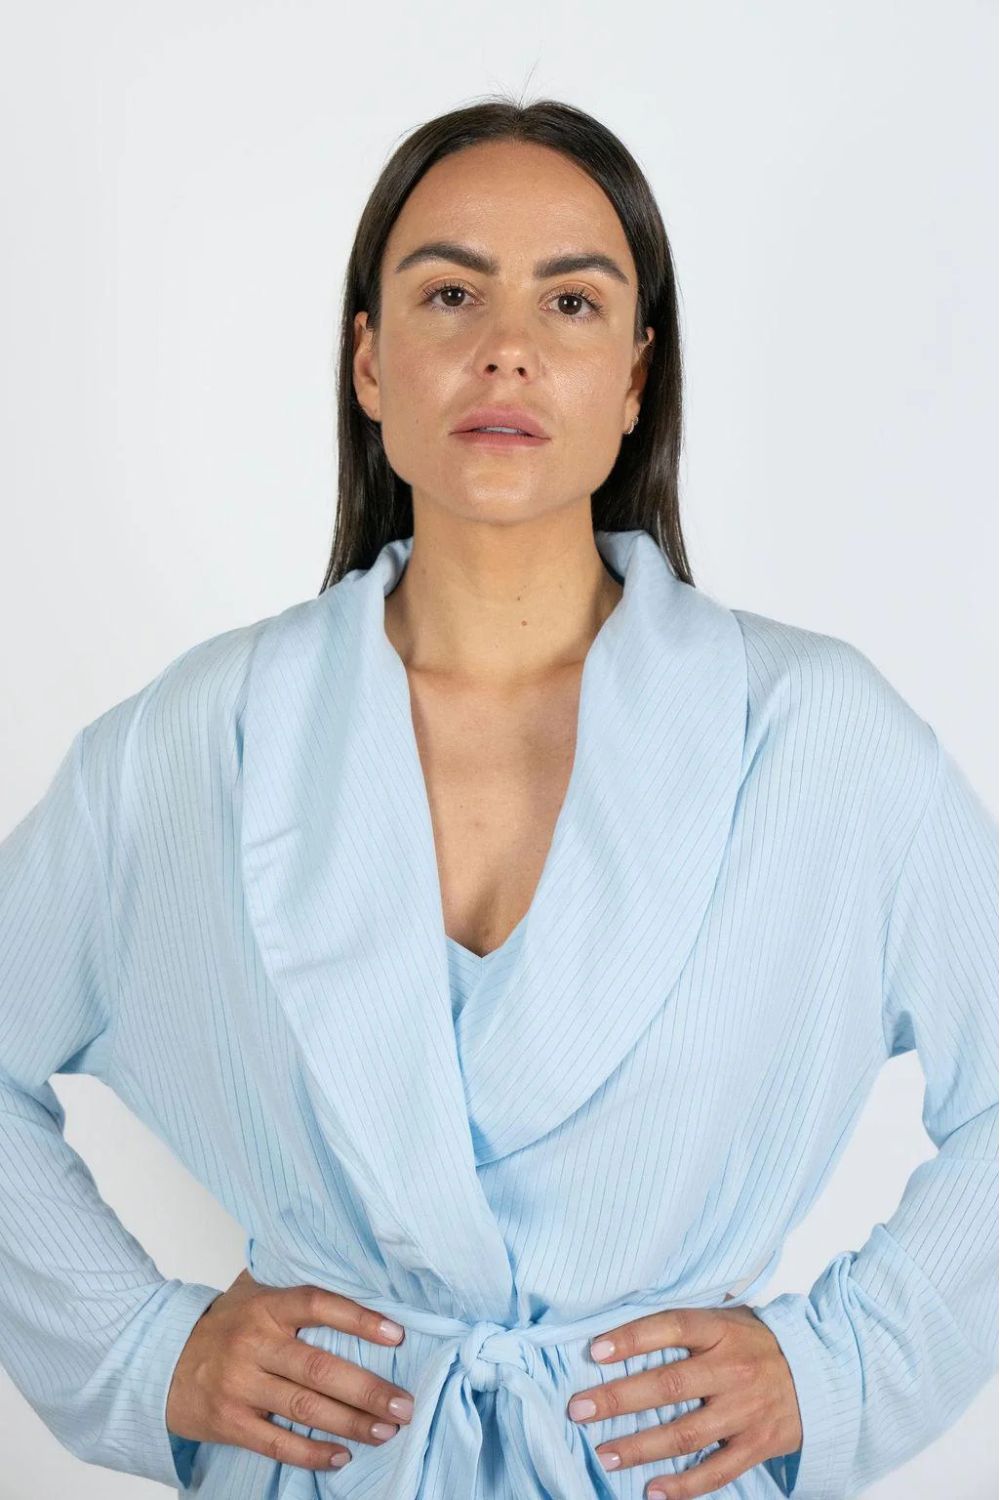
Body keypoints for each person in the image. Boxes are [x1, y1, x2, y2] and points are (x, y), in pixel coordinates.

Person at [0, 96, 995, 1500]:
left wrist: (839, 1366)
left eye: (572, 302)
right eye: (451, 293)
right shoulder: (196, 741)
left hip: (661, 1469)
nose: (508, 347)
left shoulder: (821, 738)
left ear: (638, 375)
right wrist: (141, 1346)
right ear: (369, 360)